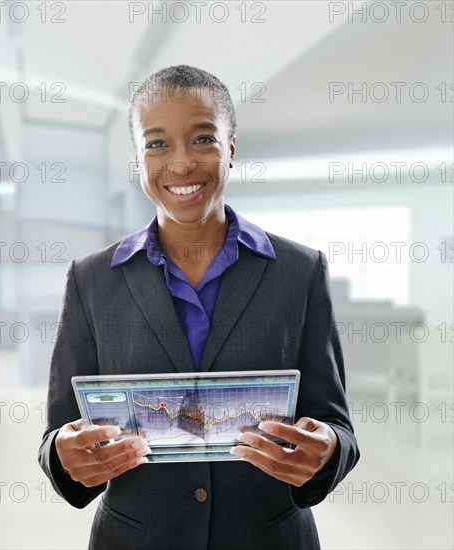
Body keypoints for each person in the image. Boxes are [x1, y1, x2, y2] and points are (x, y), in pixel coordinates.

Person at [38, 64, 360, 550]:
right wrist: (63, 455)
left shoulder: (301, 271)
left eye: (203, 138)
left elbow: (337, 425)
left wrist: (329, 449)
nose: (182, 163)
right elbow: (55, 435)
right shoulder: (90, 279)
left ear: (230, 149)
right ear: (137, 159)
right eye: (157, 143)